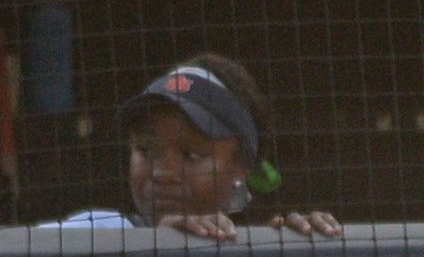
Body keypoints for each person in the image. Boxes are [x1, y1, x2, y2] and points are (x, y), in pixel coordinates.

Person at [52, 52, 341, 240]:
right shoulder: (95, 231)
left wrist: (308, 244)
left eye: (190, 155)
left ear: (241, 166)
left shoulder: (263, 250)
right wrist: (155, 247)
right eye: (145, 150)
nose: (162, 173)